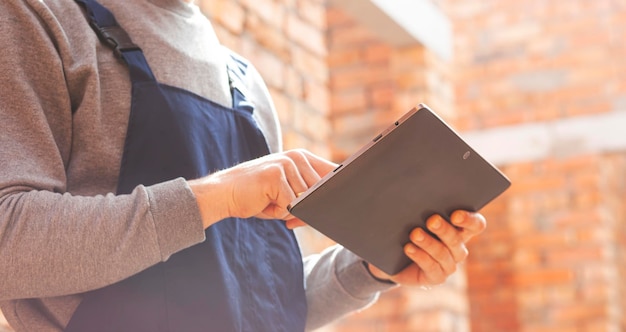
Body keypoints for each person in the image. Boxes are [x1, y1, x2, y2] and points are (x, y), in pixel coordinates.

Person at [0, 0, 487, 331]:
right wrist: (219, 195)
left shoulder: (244, 82)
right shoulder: (39, 17)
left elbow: (256, 301)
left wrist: (369, 268)